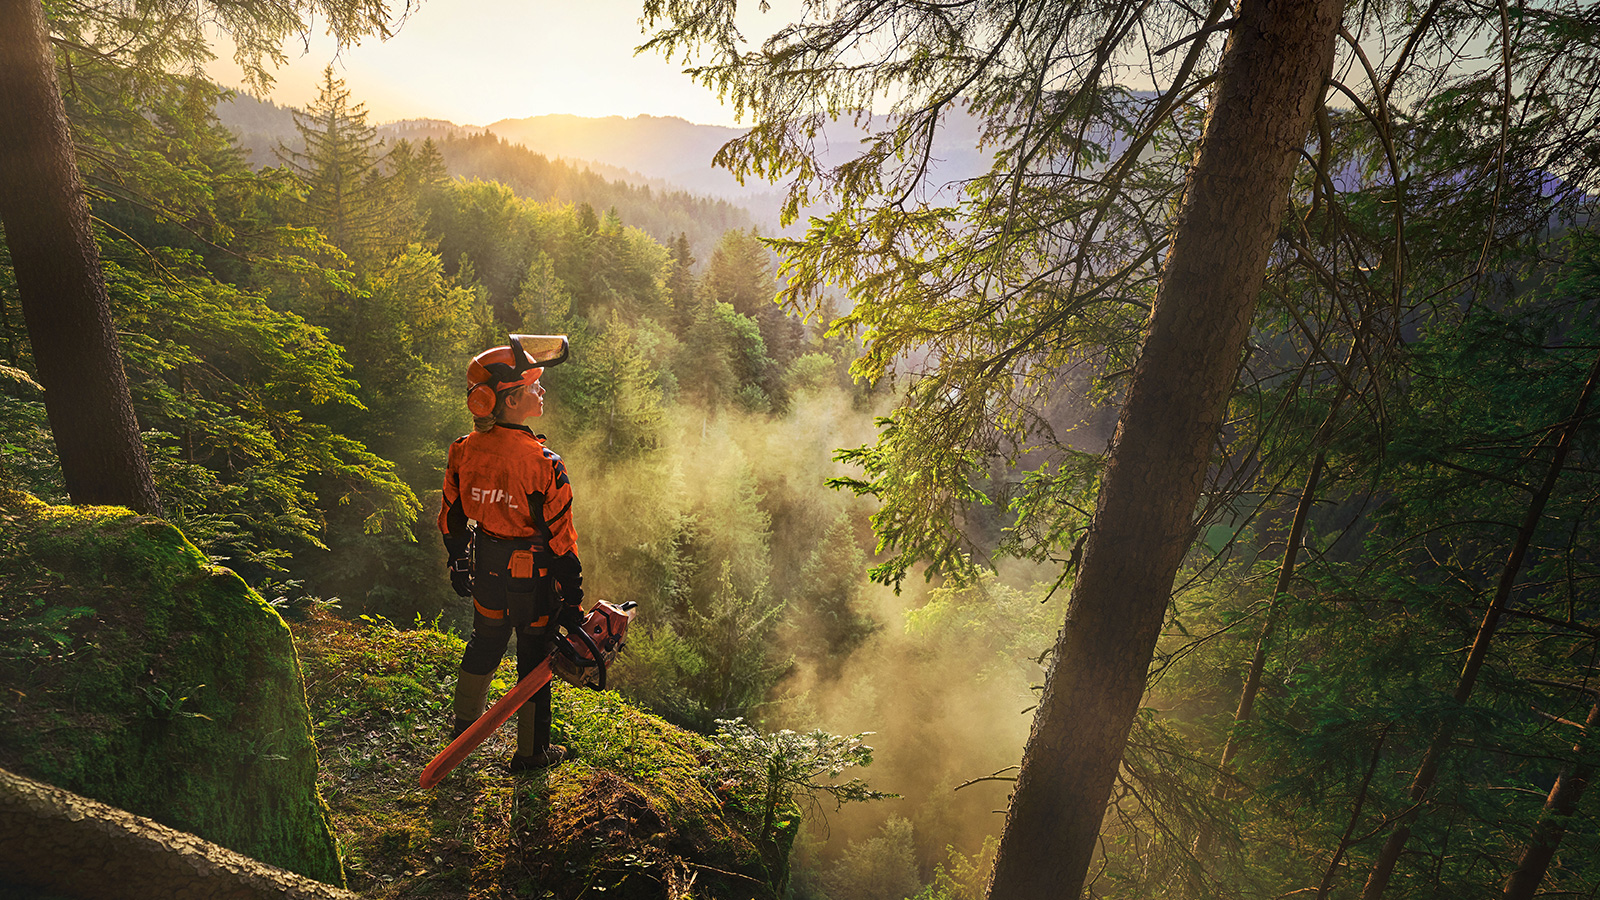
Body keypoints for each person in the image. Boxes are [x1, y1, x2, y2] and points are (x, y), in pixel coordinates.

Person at [438, 336, 585, 772]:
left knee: (485, 641)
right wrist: (573, 597)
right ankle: (531, 753)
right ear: (512, 399)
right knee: (534, 657)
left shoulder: (464, 450)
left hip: (486, 563)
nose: (542, 391)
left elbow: (451, 515)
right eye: (534, 386)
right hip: (532, 574)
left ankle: (463, 730)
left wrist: (458, 557)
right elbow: (562, 539)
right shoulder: (543, 462)